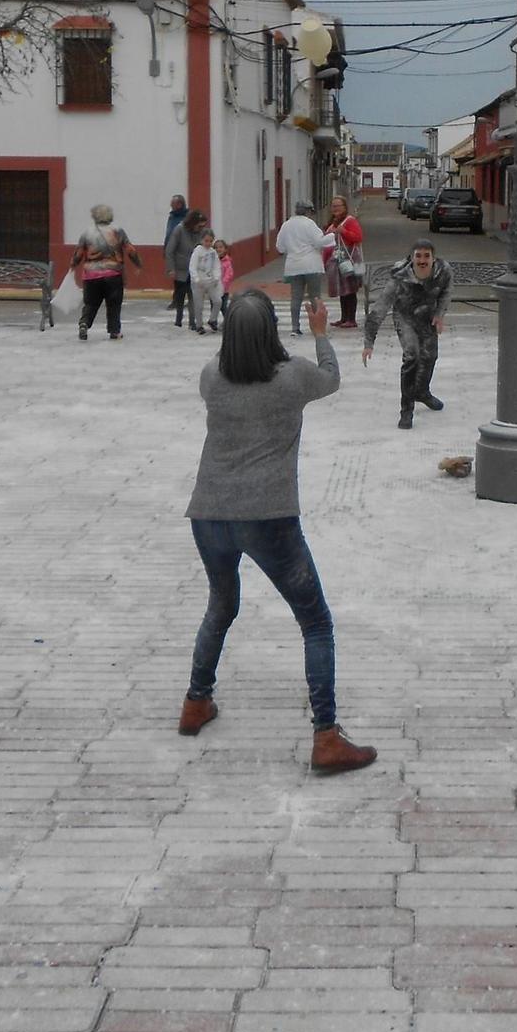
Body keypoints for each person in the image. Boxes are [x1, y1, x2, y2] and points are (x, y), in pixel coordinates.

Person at [179, 290, 377, 775]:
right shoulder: (292, 379)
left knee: (221, 605)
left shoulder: (212, 377)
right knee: (315, 622)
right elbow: (331, 378)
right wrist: (321, 334)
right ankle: (327, 736)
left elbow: (227, 367)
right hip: (269, 518)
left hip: (209, 514)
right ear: (271, 332)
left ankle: (195, 702)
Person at [362, 238, 452, 430]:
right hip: (405, 317)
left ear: (433, 258)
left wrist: (439, 313)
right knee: (413, 356)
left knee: (430, 356)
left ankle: (422, 392)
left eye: (426, 256)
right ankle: (406, 410)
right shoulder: (400, 278)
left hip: (427, 317)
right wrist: (369, 342)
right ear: (411, 258)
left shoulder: (443, 271)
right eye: (418, 256)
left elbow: (446, 292)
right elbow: (380, 309)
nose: (422, 260)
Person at [73, 204, 136, 341]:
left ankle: (84, 323)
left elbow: (78, 254)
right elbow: (130, 250)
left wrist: (73, 265)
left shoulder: (86, 232)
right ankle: (114, 331)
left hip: (91, 275)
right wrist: (138, 264)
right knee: (113, 304)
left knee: (90, 303)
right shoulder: (118, 231)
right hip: (113, 274)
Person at [276, 200, 329, 337]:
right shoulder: (310, 224)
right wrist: (331, 237)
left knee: (296, 297)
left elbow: (280, 247)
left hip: (294, 265)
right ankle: (318, 327)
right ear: (308, 211)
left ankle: (295, 327)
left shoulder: (286, 225)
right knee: (315, 296)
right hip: (312, 265)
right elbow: (319, 242)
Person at [322, 194, 365, 329]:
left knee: (350, 289)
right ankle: (344, 318)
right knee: (343, 290)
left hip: (349, 259)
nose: (335, 208)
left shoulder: (350, 221)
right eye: (333, 206)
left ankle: (351, 319)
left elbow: (358, 237)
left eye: (338, 206)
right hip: (337, 259)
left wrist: (344, 231)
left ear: (344, 207)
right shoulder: (333, 221)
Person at [165, 208, 205, 328]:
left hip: (195, 271)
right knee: (180, 297)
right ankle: (179, 319)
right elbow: (170, 250)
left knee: (194, 297)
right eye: (199, 226)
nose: (201, 228)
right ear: (193, 223)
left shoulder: (201, 233)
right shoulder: (179, 229)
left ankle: (193, 322)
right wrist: (171, 268)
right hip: (181, 270)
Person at [188, 228, 224, 334]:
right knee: (199, 305)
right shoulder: (198, 251)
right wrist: (196, 278)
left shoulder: (213, 252)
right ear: (201, 240)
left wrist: (217, 277)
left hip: (210, 281)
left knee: (218, 301)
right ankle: (199, 325)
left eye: (210, 241)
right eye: (206, 241)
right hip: (198, 282)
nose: (208, 243)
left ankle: (212, 319)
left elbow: (217, 266)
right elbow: (192, 266)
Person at [214, 238, 236, 327]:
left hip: (224, 290)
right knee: (214, 306)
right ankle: (213, 321)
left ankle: (228, 320)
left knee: (223, 307)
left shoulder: (227, 262)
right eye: (216, 248)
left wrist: (223, 283)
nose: (218, 249)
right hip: (214, 289)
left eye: (220, 247)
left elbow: (229, 274)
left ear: (225, 249)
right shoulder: (213, 261)